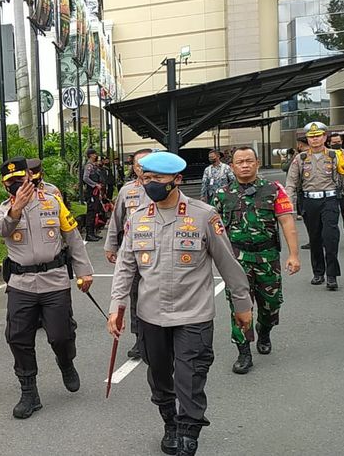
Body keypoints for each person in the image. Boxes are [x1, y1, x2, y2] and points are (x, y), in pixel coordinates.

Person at [108, 151, 251, 456]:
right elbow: (125, 267)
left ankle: (188, 432)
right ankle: (169, 422)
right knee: (159, 376)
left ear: (176, 180)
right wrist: (116, 305)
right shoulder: (137, 219)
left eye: (157, 179)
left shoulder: (204, 215)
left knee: (190, 376)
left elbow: (228, 263)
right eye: (146, 178)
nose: (150, 184)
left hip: (193, 314)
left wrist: (242, 304)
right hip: (150, 315)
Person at [0, 157, 94, 420]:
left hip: (55, 281)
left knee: (60, 335)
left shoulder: (53, 202)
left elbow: (73, 238)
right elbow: (0, 230)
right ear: (5, 187)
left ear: (31, 178)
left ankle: (66, 362)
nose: (17, 185)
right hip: (21, 285)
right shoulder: (2, 211)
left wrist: (84, 271)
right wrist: (17, 209)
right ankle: (29, 392)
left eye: (21, 180)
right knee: (18, 337)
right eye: (11, 183)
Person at [212, 146, 301, 375]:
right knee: (239, 306)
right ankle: (244, 351)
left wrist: (293, 254)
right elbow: (214, 229)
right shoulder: (222, 194)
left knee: (271, 305)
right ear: (232, 166)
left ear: (257, 163)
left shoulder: (274, 190)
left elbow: (287, 222)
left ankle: (265, 331)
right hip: (236, 259)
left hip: (267, 257)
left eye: (248, 161)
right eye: (239, 162)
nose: (244, 165)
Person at [285, 122, 344, 290]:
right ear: (307, 139)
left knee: (331, 237)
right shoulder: (300, 159)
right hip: (309, 202)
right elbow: (291, 184)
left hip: (330, 200)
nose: (315, 139)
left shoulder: (335, 155)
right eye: (311, 137)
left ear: (324, 137)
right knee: (315, 238)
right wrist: (289, 208)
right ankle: (318, 272)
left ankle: (332, 275)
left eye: (318, 136)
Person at [104, 148, 153, 360]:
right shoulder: (127, 191)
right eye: (137, 164)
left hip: (157, 254)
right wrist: (111, 246)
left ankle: (157, 337)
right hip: (133, 253)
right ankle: (139, 339)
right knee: (134, 296)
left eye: (145, 163)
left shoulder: (162, 188)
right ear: (133, 167)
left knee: (153, 295)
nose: (141, 167)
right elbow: (116, 220)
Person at [83, 148, 103, 241]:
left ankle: (93, 233)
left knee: (95, 211)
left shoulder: (93, 165)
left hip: (95, 192)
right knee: (91, 212)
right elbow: (85, 178)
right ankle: (89, 234)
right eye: (94, 154)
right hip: (91, 192)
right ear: (90, 155)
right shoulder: (88, 166)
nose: (96, 155)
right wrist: (95, 185)